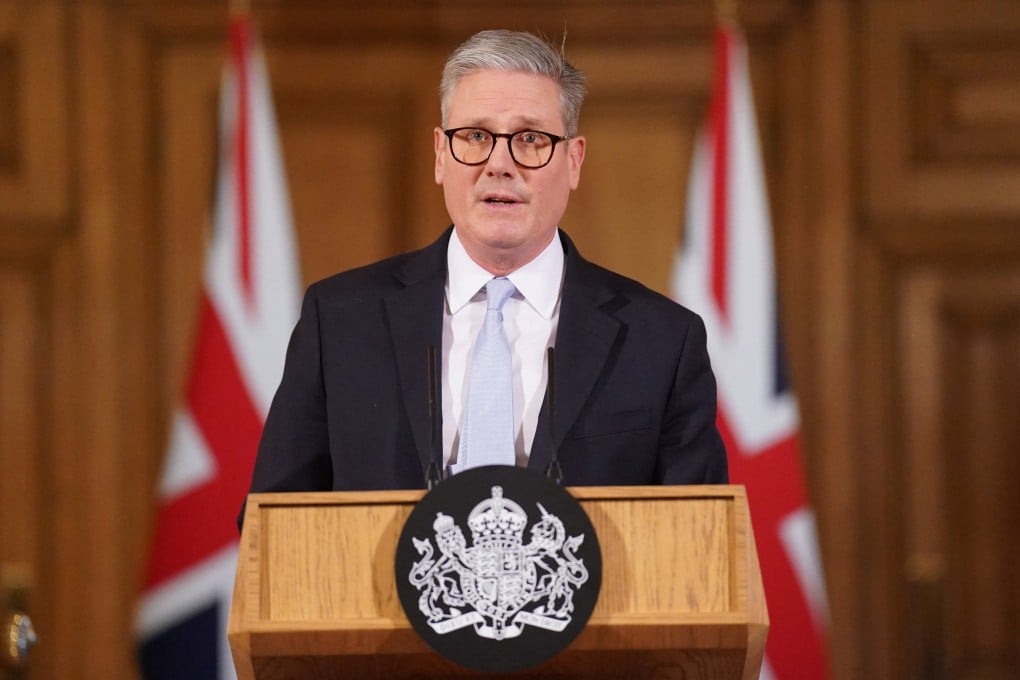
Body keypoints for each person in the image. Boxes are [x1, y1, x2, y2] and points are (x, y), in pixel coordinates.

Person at [246, 29, 727, 497]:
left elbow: (697, 542)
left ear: (574, 161)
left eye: (531, 139)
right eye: (476, 136)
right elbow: (273, 529)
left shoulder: (663, 341)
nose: (500, 164)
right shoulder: (339, 323)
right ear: (440, 154)